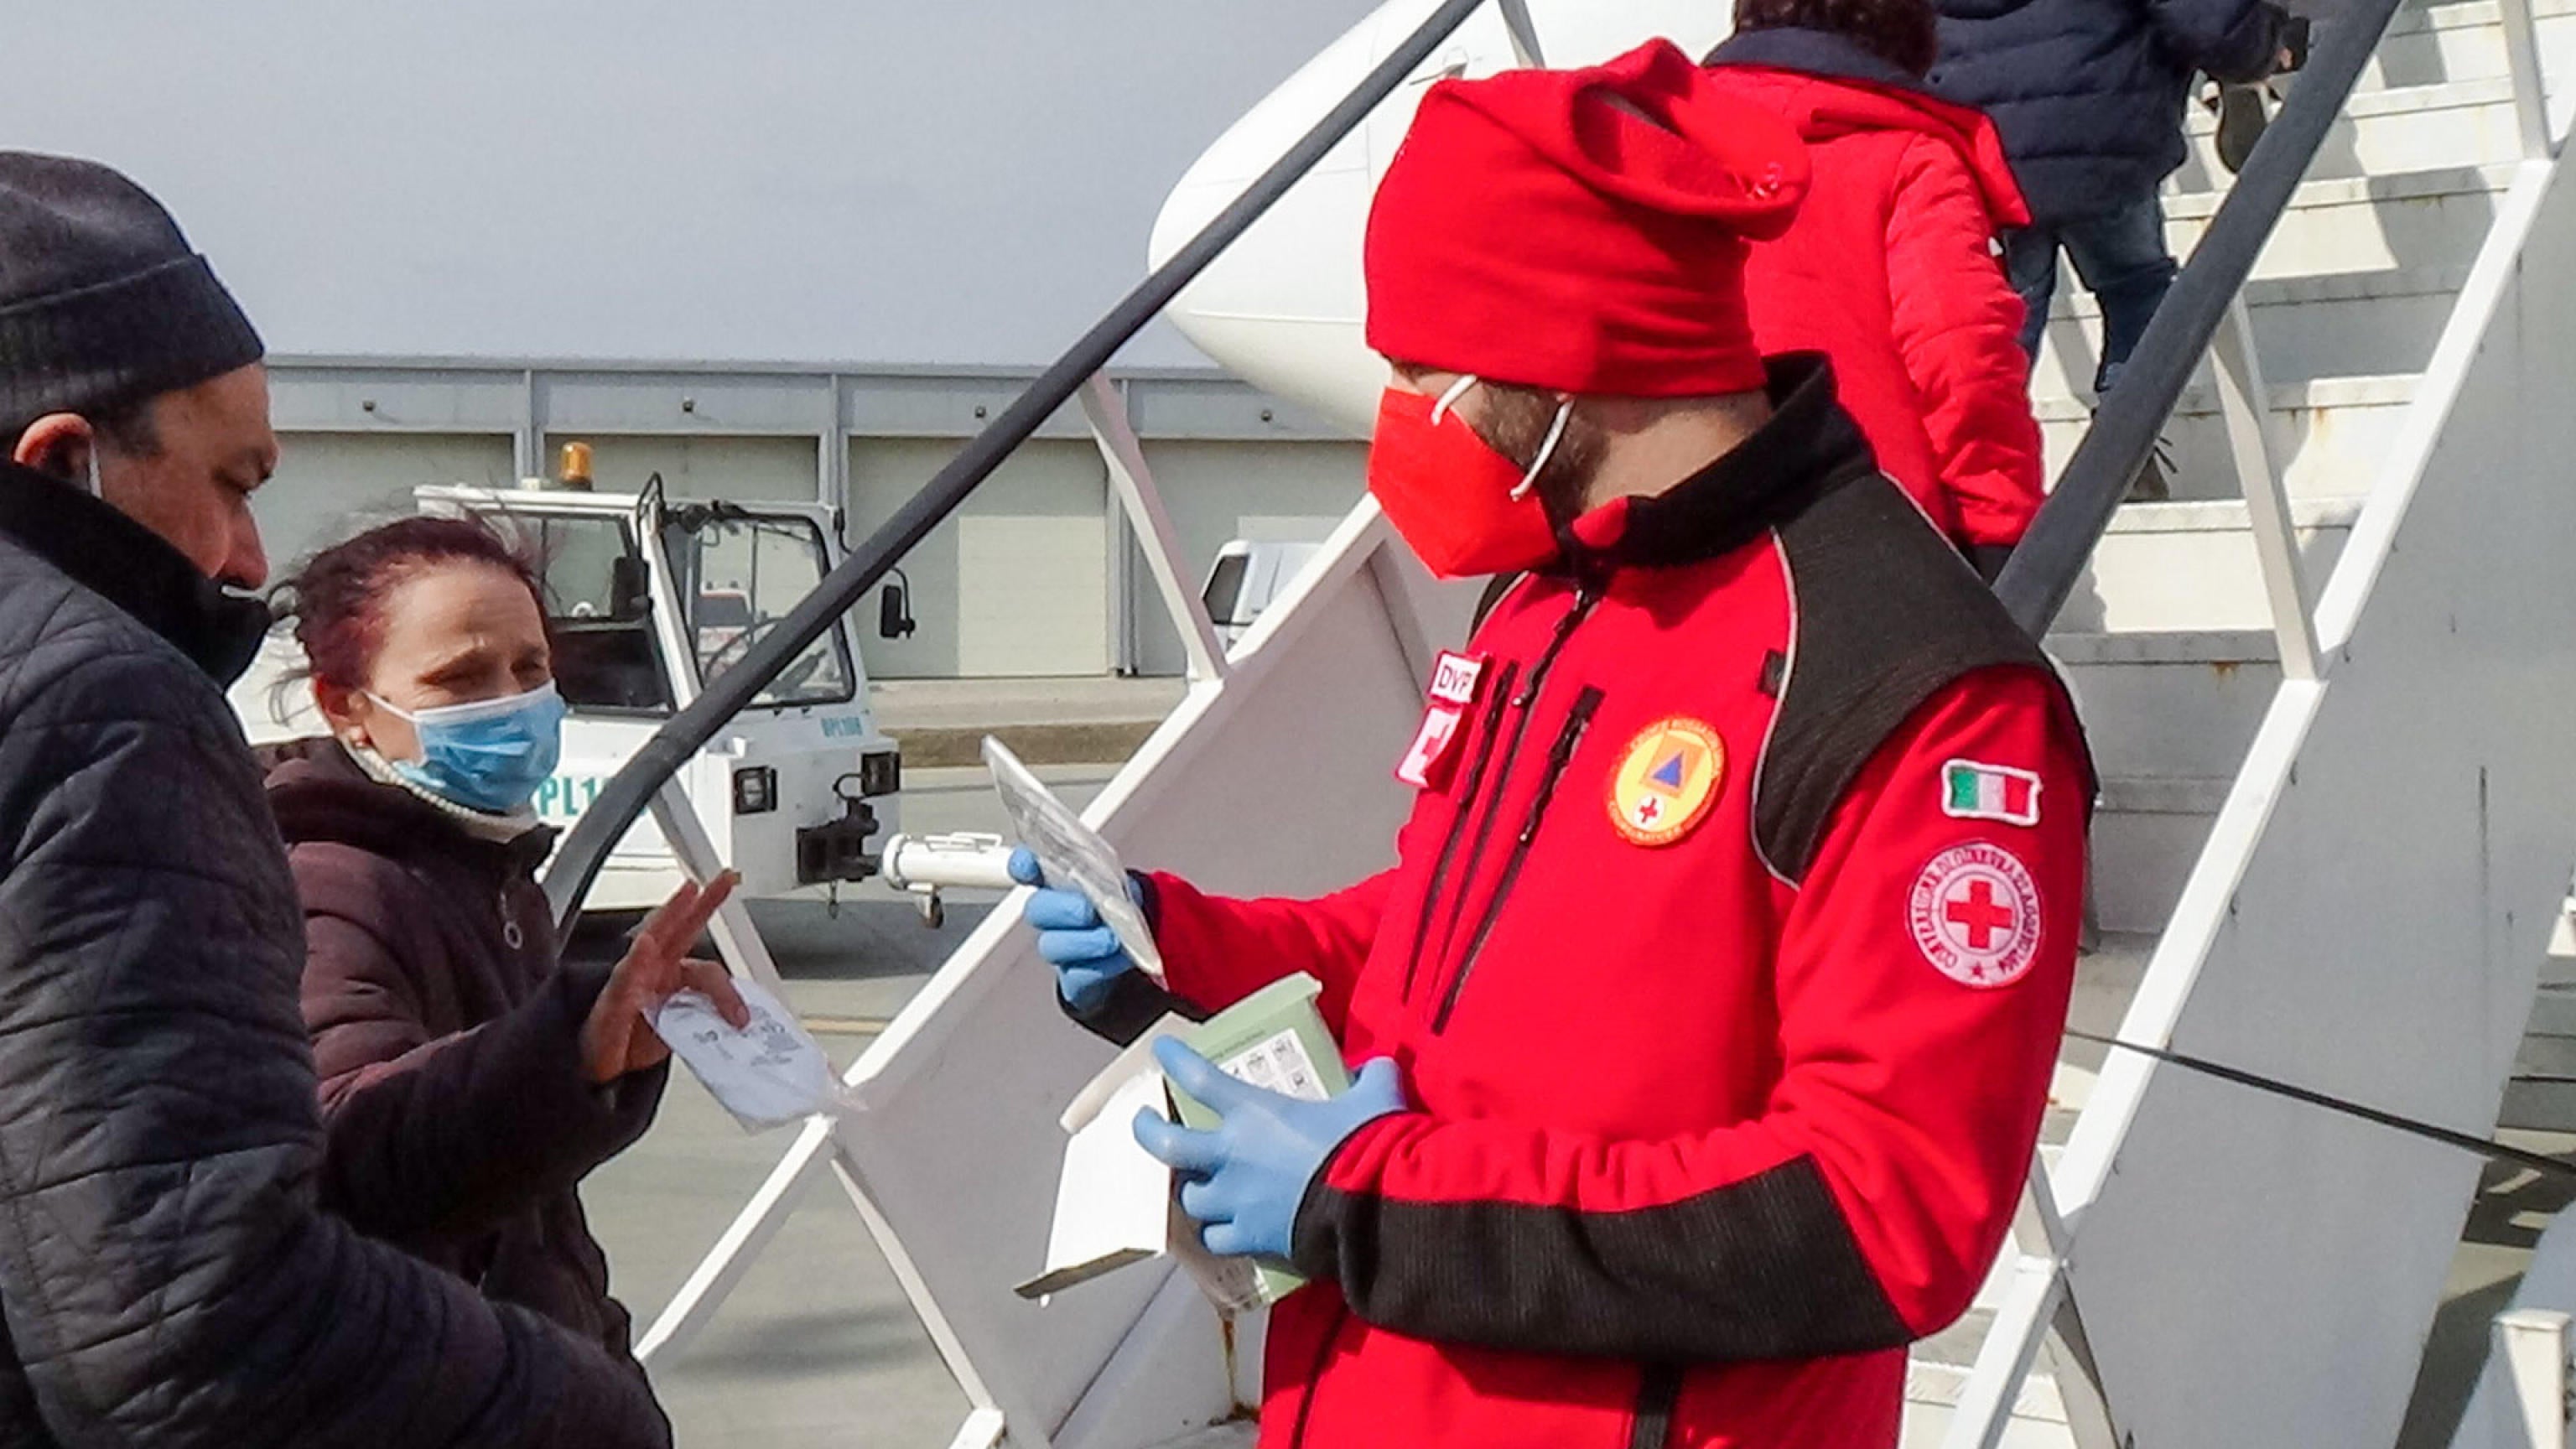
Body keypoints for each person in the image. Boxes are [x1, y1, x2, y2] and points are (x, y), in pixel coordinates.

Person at [1014, 44, 2094, 1449]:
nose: (1401, 412)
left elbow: (1881, 1208)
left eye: (1422, 369)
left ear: (1566, 359)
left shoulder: (1908, 681)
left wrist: (1373, 1199)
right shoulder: (1552, 592)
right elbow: (1449, 932)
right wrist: (1188, 942)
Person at [0, 151, 671, 1446]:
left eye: (531, 668)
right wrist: (591, 1413)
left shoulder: (490, 875)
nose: (246, 555)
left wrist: (573, 1048)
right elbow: (196, 1318)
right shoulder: (107, 714)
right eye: (234, 483)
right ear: (62, 460)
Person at [262, 515, 749, 1371]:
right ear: (349, 711)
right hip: (442, 1378)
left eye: (530, 670)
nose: (513, 705)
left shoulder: (486, 865)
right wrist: (565, 1052)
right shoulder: (336, 884)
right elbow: (346, 1145)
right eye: (462, 679)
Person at [1708, 0, 2046, 578]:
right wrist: (1998, 534)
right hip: (1871, 536)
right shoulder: (1909, 158)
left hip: (1689, 531)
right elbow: (1962, 358)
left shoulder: (1661, 141)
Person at [1928, 0, 2293, 412]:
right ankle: (2122, 426)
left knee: (2006, 319)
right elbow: (2209, 20)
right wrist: (2258, 47)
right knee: (2136, 288)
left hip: (1985, 145)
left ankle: (1972, 449)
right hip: (2103, 131)